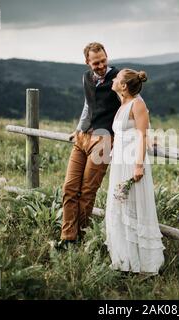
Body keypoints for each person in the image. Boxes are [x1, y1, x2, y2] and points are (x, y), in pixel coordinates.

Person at [104, 68, 165, 274]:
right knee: (120, 206)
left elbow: (142, 136)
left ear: (123, 85)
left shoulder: (138, 104)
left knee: (134, 207)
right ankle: (125, 260)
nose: (113, 79)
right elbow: (122, 132)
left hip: (132, 163)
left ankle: (143, 263)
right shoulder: (123, 103)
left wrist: (138, 166)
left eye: (117, 78)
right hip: (119, 162)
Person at [59, 42, 121, 246]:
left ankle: (80, 236)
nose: (101, 65)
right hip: (83, 138)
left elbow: (133, 103)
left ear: (107, 57)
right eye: (96, 63)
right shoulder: (86, 78)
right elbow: (88, 106)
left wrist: (144, 133)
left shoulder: (118, 77)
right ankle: (67, 237)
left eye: (103, 61)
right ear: (87, 62)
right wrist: (78, 129)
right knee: (69, 187)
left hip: (104, 139)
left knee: (87, 191)